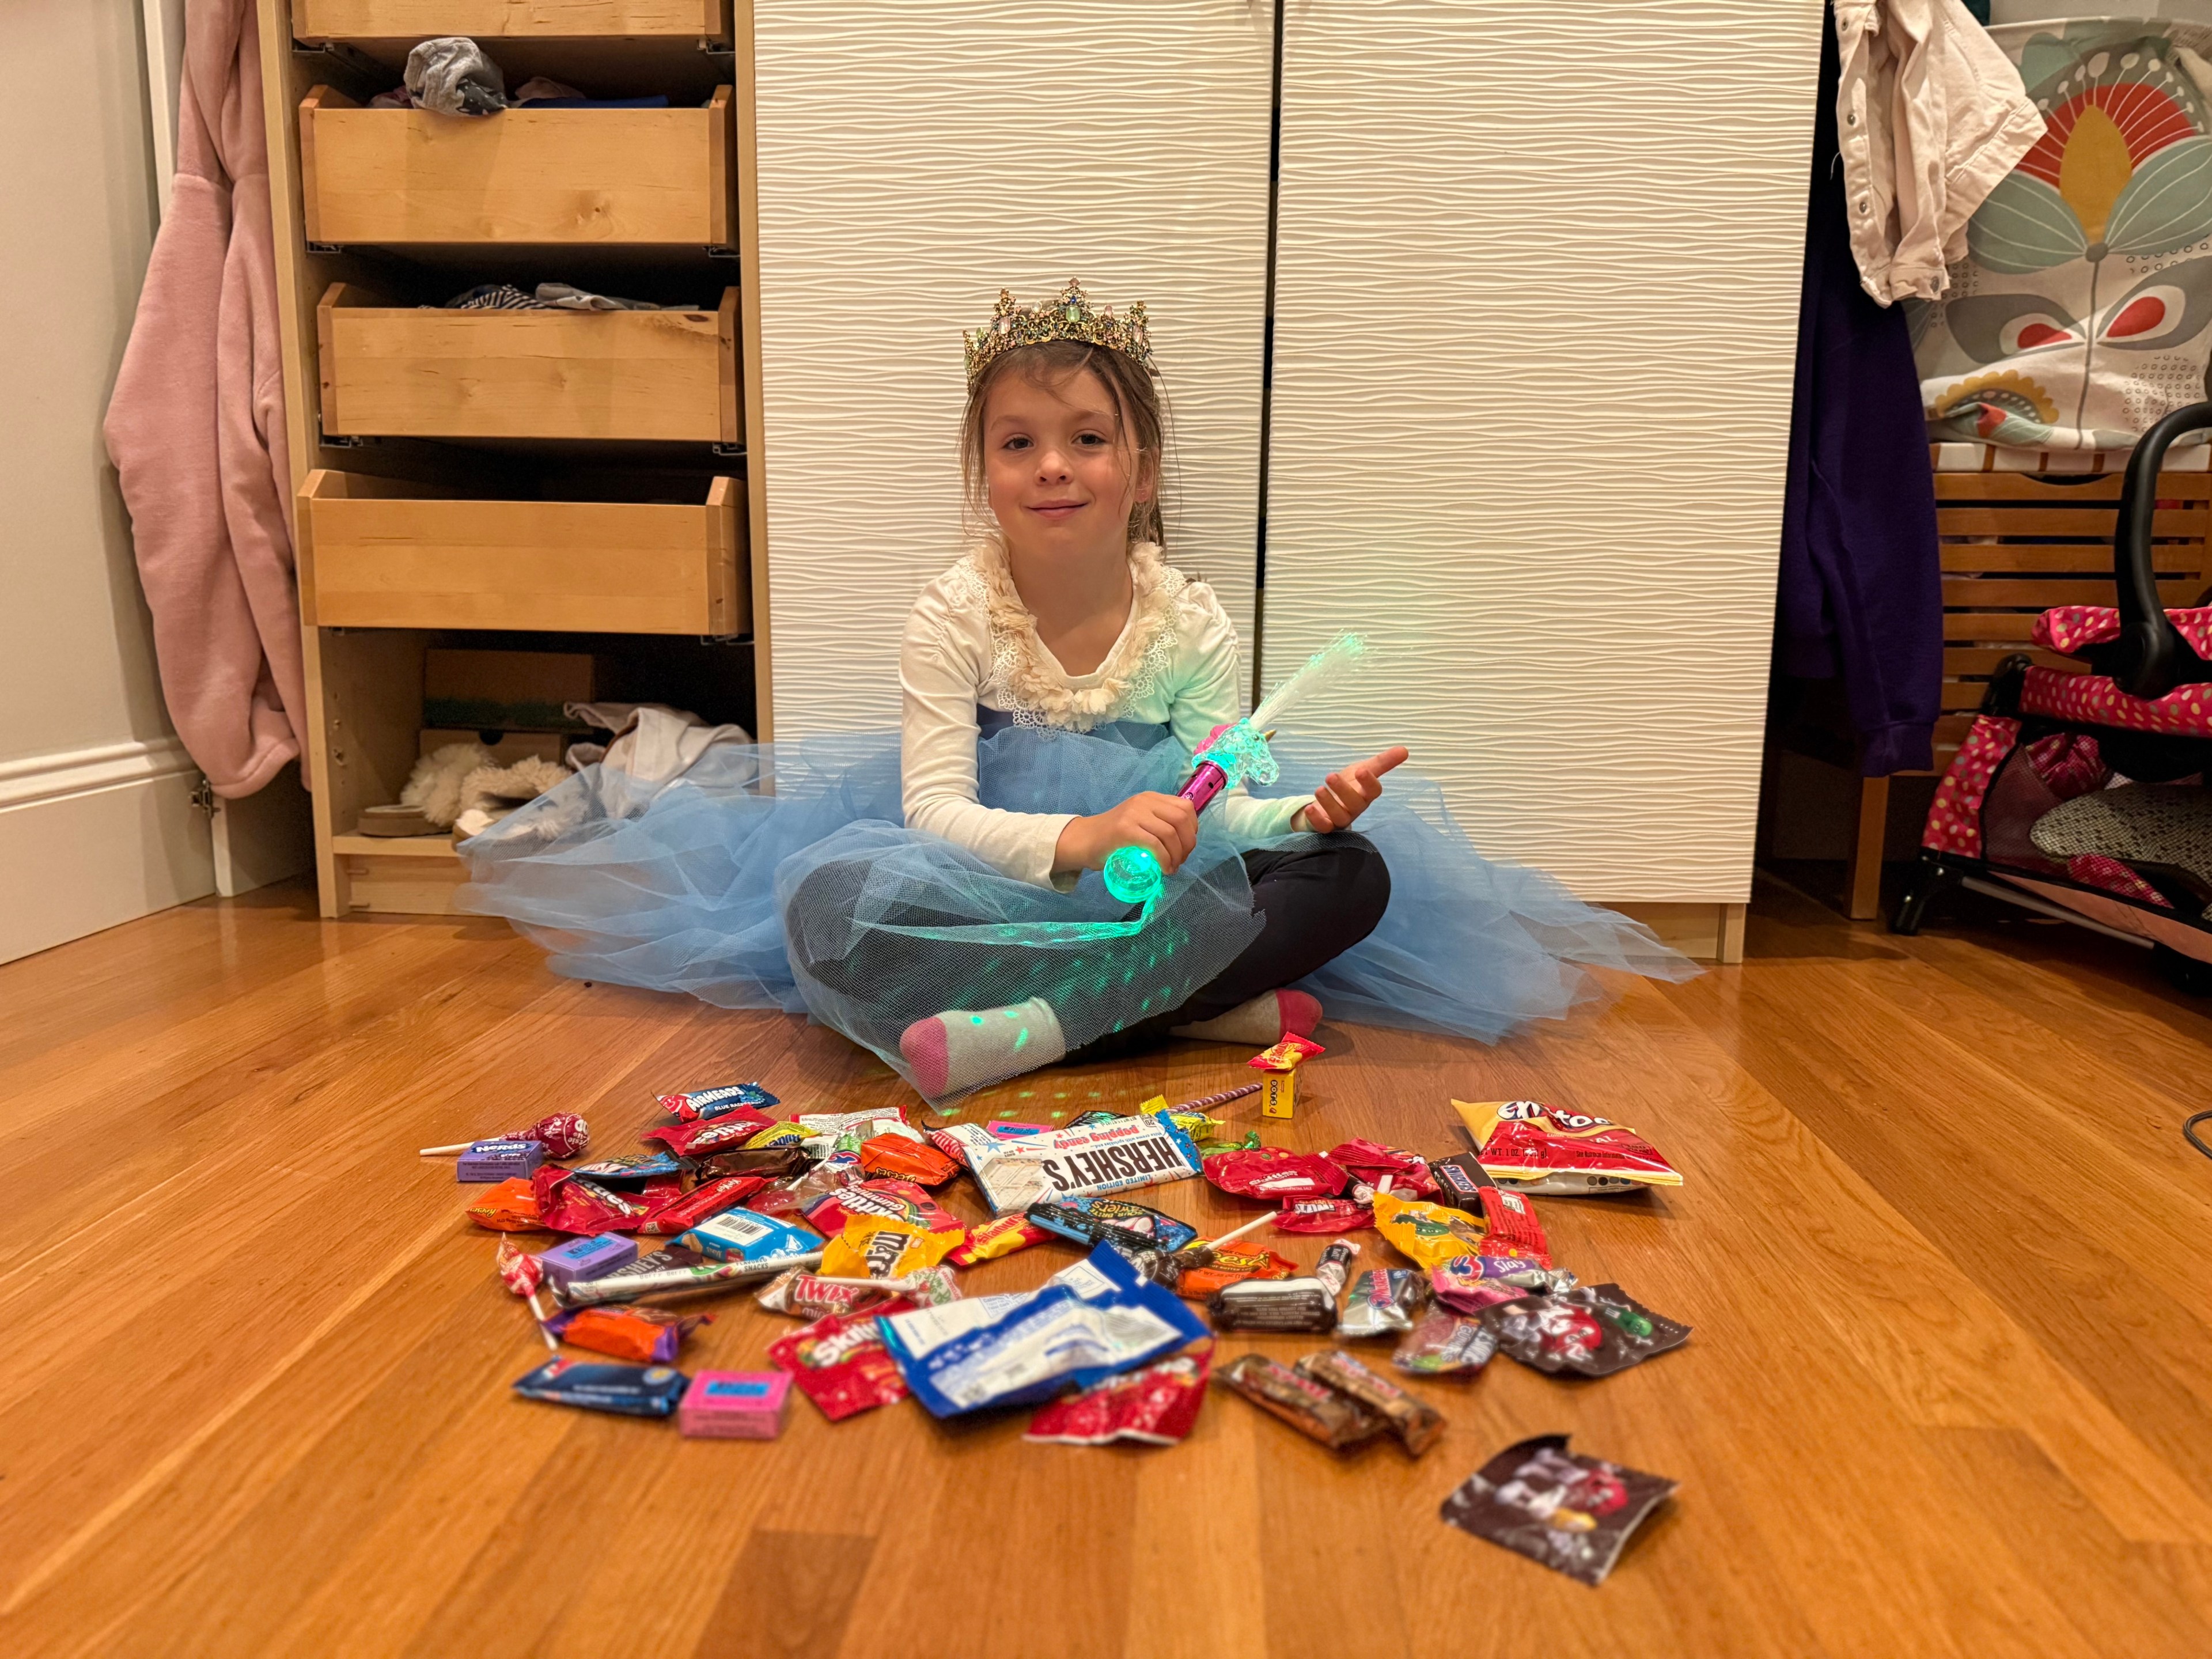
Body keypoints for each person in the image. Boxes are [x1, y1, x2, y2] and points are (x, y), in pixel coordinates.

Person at [457, 281, 1694, 1100]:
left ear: (1140, 469)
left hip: (1149, 895)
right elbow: (935, 815)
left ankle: (1041, 1031)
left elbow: (1227, 798)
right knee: (825, 906)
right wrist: (1083, 835)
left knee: (1352, 878)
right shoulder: (954, 615)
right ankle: (1189, 1011)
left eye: (1088, 440)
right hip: (997, 883)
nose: (1055, 466)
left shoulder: (1187, 618)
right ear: (983, 474)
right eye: (1019, 444)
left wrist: (1300, 817)